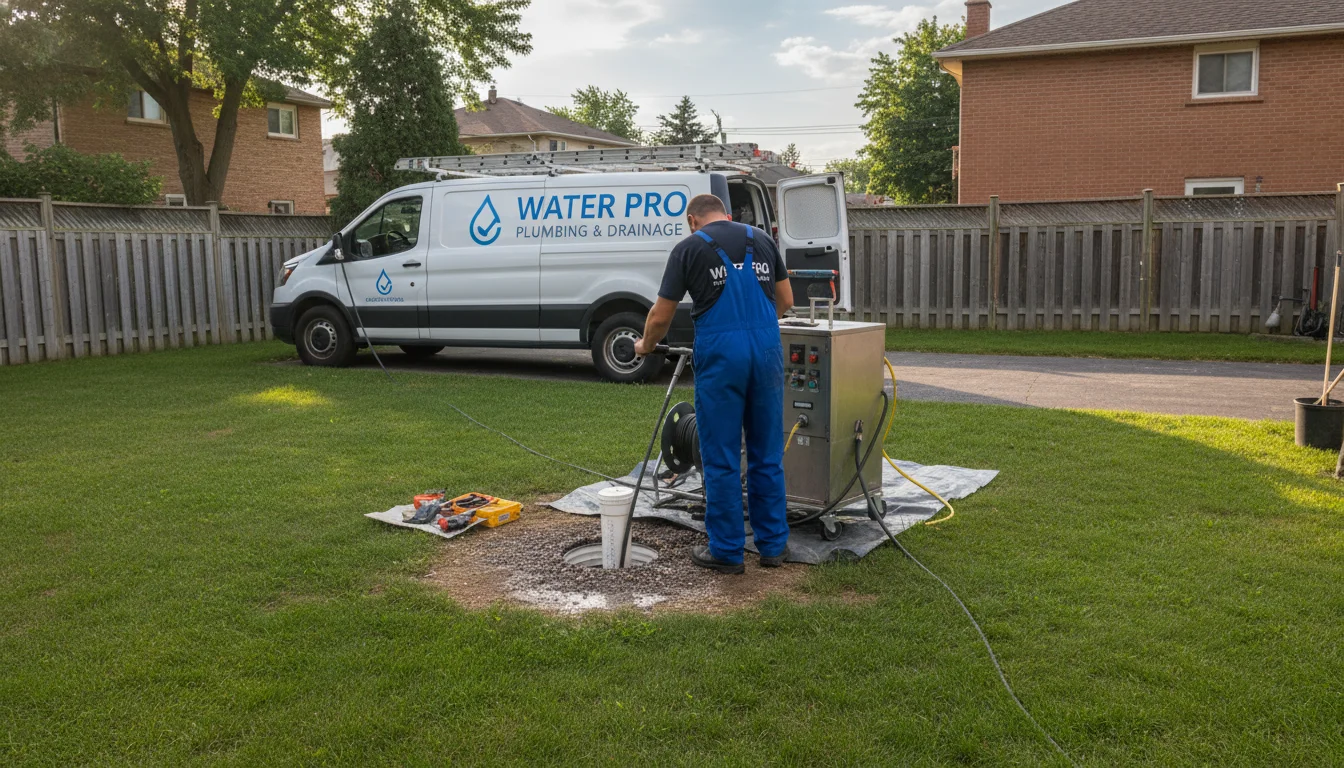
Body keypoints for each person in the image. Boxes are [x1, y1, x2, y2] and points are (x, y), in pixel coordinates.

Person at [634, 194, 794, 574]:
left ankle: (727, 550)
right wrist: (754, 326)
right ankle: (773, 547)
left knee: (721, 457)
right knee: (767, 453)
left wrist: (646, 345)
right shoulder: (762, 240)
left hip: (723, 357)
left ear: (693, 219)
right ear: (726, 211)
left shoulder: (688, 249)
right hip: (767, 351)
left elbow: (660, 316)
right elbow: (786, 299)